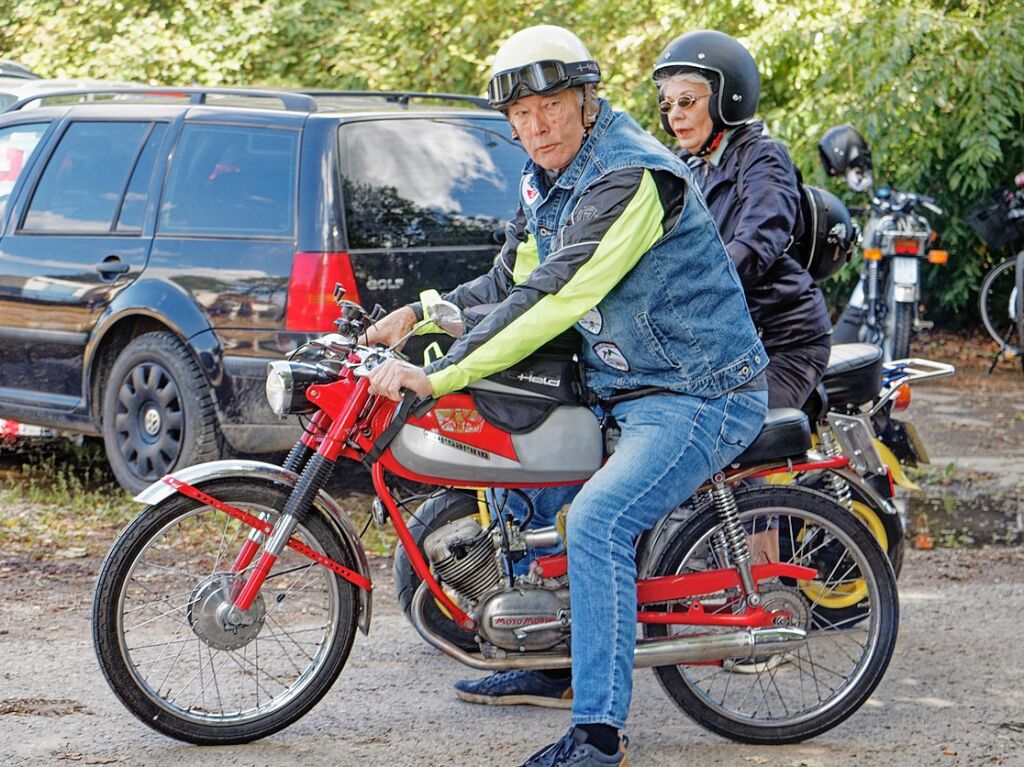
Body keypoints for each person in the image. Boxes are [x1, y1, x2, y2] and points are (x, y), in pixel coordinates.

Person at [365, 24, 768, 767]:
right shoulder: (549, 178)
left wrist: (439, 372)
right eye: (519, 116)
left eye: (549, 105)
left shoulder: (631, 177)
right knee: (525, 479)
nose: (534, 126)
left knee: (597, 521)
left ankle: (599, 734)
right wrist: (419, 313)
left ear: (587, 99)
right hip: (616, 382)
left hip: (694, 390)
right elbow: (508, 282)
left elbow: (553, 298)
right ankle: (557, 663)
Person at [652, 29, 833, 411]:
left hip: (780, 340)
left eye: (686, 101)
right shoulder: (686, 168)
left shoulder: (763, 159)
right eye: (667, 106)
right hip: (721, 338)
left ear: (726, 99)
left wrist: (692, 290)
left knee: (728, 435)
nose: (676, 114)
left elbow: (757, 241)